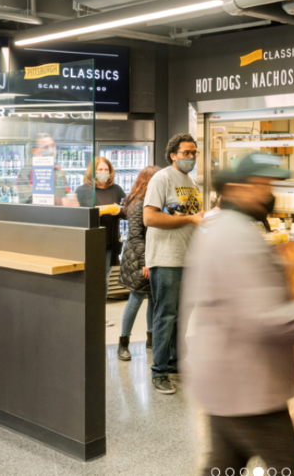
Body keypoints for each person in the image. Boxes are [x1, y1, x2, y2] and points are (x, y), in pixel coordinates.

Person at [182, 153, 294, 476]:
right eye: (261, 184)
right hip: (250, 385)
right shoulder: (237, 236)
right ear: (237, 188)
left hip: (223, 379)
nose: (268, 193)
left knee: (223, 465)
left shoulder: (220, 227)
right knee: (286, 466)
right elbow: (266, 319)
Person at [143, 133, 204, 394]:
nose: (191, 157)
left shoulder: (191, 182)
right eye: (186, 153)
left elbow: (194, 217)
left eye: (194, 153)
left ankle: (175, 361)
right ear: (173, 155)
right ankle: (159, 371)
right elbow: (149, 218)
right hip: (166, 258)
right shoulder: (162, 178)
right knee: (165, 314)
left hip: (188, 258)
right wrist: (191, 220)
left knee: (183, 314)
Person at [116, 165, 161, 361]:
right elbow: (135, 237)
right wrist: (146, 262)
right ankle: (123, 343)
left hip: (149, 256)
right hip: (138, 259)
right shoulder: (138, 203)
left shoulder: (151, 201)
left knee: (153, 297)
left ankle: (151, 339)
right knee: (135, 299)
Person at [77, 157, 125, 327]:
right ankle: (85, 313)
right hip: (90, 241)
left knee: (103, 279)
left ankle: (99, 314)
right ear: (92, 171)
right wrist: (96, 212)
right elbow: (79, 215)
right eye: (100, 170)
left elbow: (127, 211)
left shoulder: (117, 189)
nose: (104, 173)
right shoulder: (83, 190)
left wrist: (118, 210)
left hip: (109, 241)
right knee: (88, 279)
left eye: (106, 170)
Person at [16, 133, 78, 207]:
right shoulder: (26, 173)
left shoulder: (57, 171)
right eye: (45, 147)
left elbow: (65, 192)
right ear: (34, 151)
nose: (51, 150)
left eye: (52, 146)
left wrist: (71, 201)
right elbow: (28, 200)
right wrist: (59, 202)